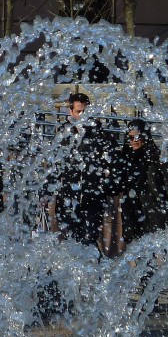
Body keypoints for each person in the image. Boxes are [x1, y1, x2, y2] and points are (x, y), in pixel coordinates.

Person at [50, 92, 116, 250]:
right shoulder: (63, 133)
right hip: (68, 197)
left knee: (90, 240)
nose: (82, 115)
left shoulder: (98, 133)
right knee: (72, 240)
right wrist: (47, 190)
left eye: (85, 111)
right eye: (78, 112)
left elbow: (113, 158)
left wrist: (108, 183)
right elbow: (54, 165)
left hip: (92, 196)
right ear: (70, 111)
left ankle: (95, 271)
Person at [113, 119, 168, 246]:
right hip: (131, 209)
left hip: (150, 208)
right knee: (135, 249)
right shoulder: (125, 157)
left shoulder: (155, 157)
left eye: (137, 137)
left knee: (152, 248)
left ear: (145, 136)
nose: (134, 141)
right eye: (130, 138)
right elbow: (118, 185)